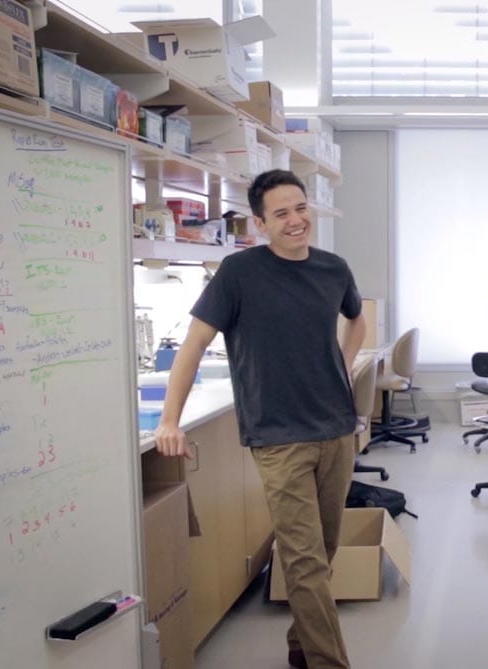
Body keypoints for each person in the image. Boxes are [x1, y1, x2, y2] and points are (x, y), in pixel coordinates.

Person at [154, 170, 366, 669]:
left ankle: (300, 645)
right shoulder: (239, 273)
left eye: (300, 208)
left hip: (335, 430)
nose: (296, 221)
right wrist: (169, 420)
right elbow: (193, 346)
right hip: (278, 438)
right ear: (260, 222)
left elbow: (357, 319)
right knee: (305, 559)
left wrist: (345, 362)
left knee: (324, 550)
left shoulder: (334, 269)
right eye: (281, 214)